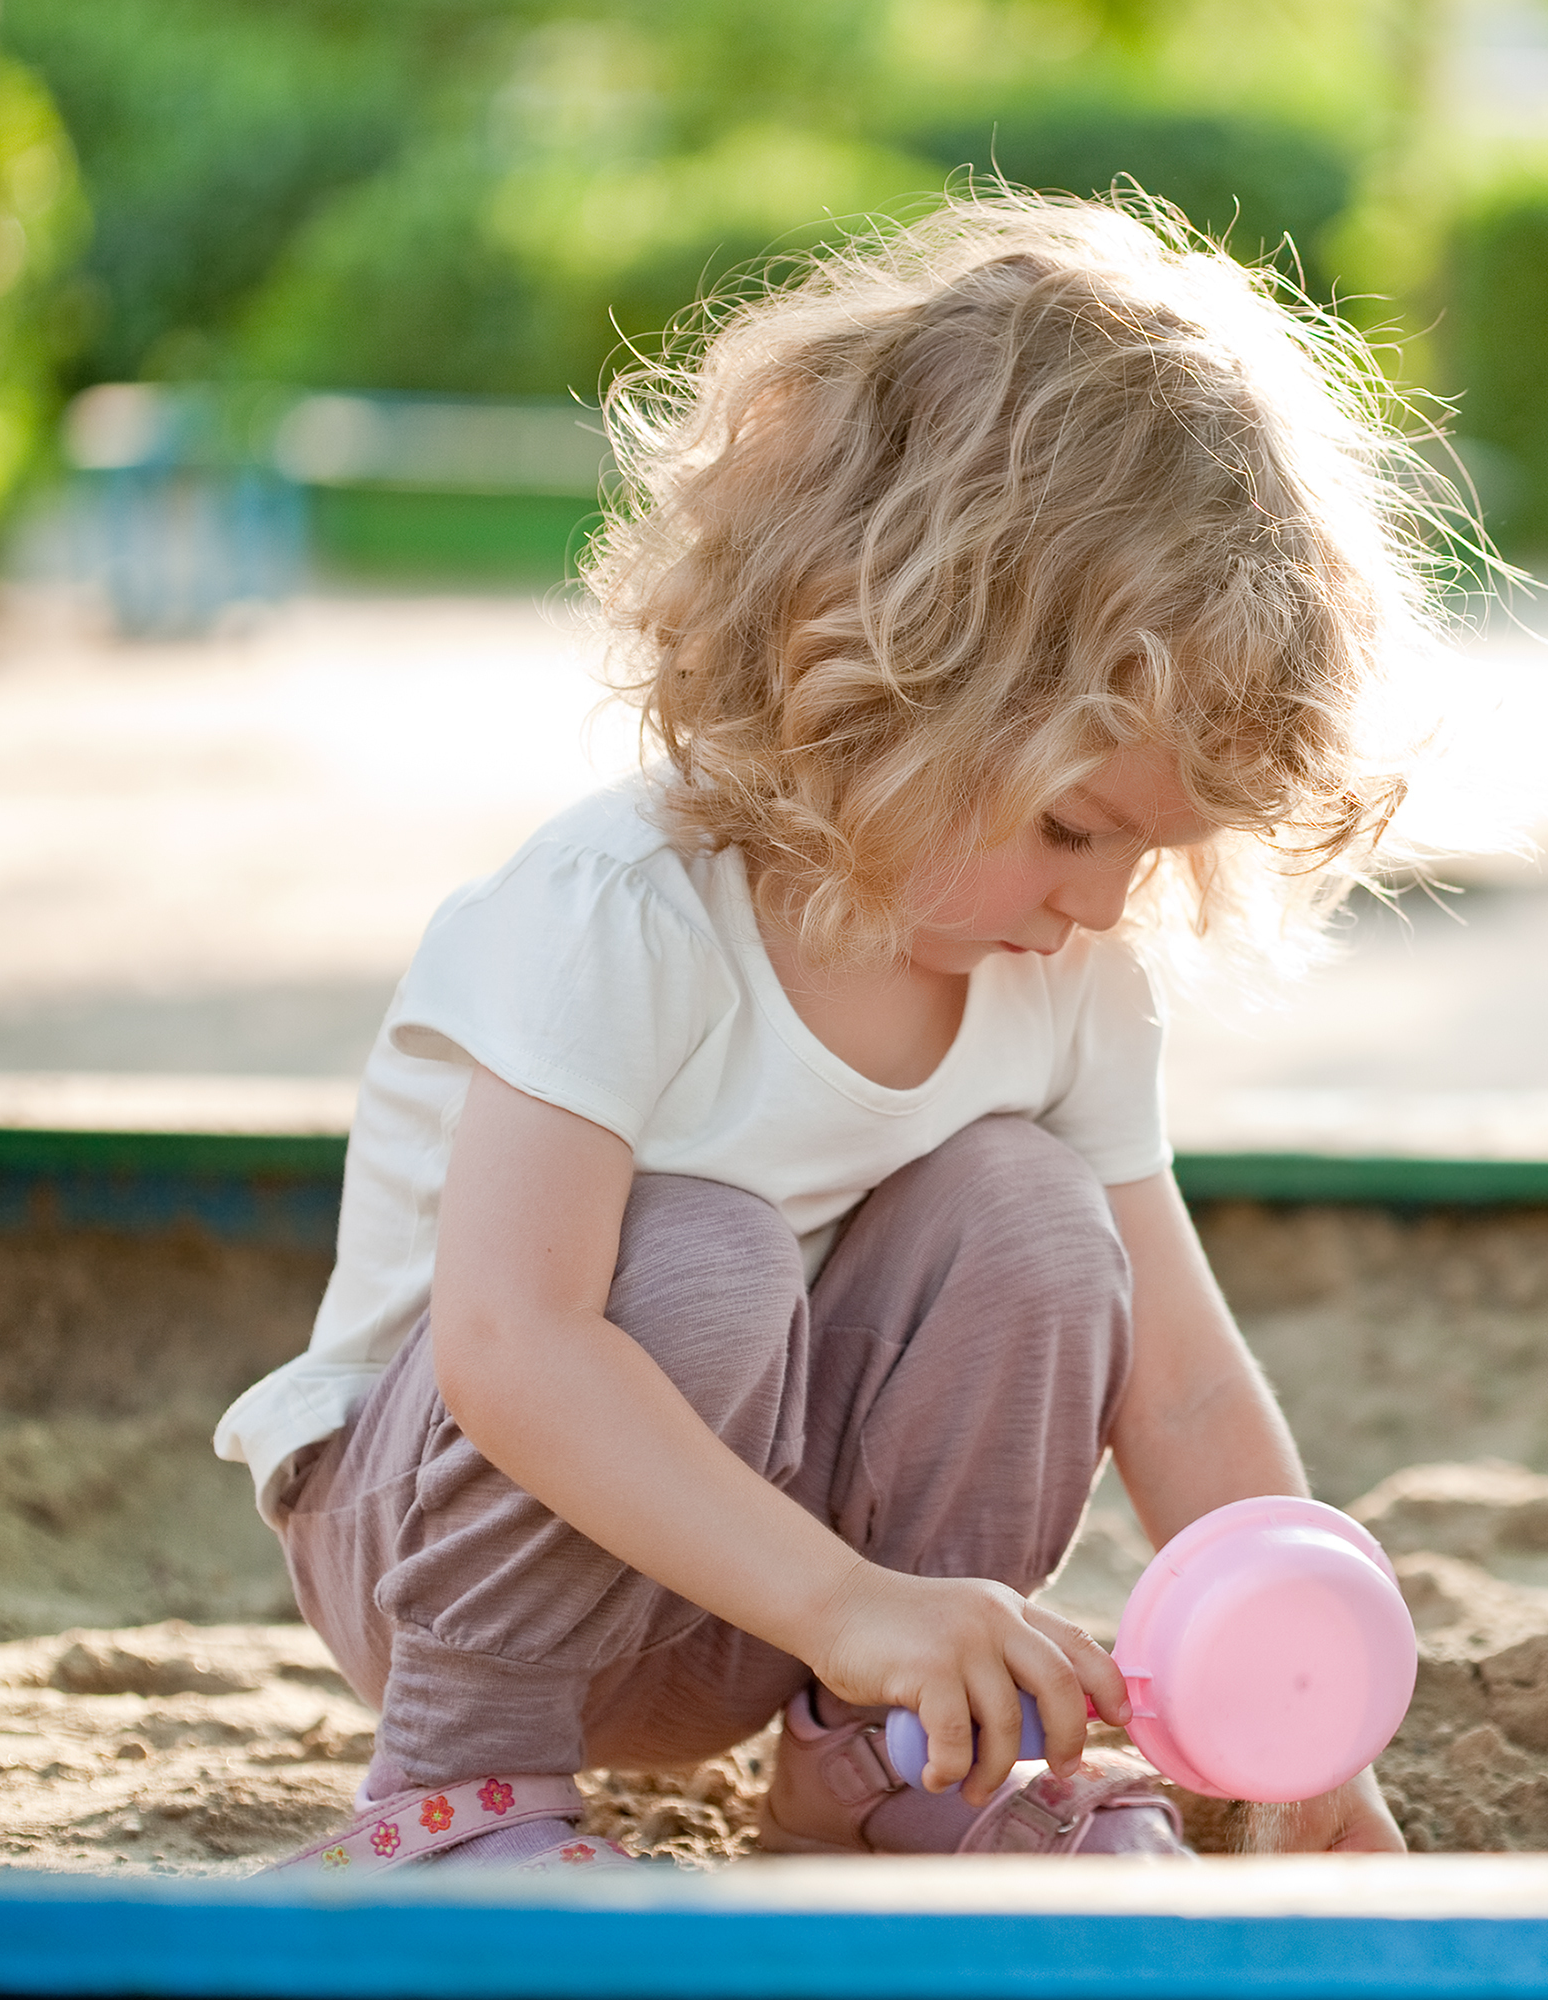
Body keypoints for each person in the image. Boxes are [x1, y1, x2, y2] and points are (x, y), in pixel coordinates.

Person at [215, 193, 1452, 1870]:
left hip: (785, 1609)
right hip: (445, 1547)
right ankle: (458, 1802)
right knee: (707, 1250)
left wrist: (1315, 1713)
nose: (1100, 902)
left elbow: (1178, 1390)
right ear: (879, 680)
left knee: (1033, 1214)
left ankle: (889, 1763)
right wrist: (848, 1598)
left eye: (1149, 854)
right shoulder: (623, 913)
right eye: (1076, 829)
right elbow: (512, 1348)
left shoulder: (1068, 979)